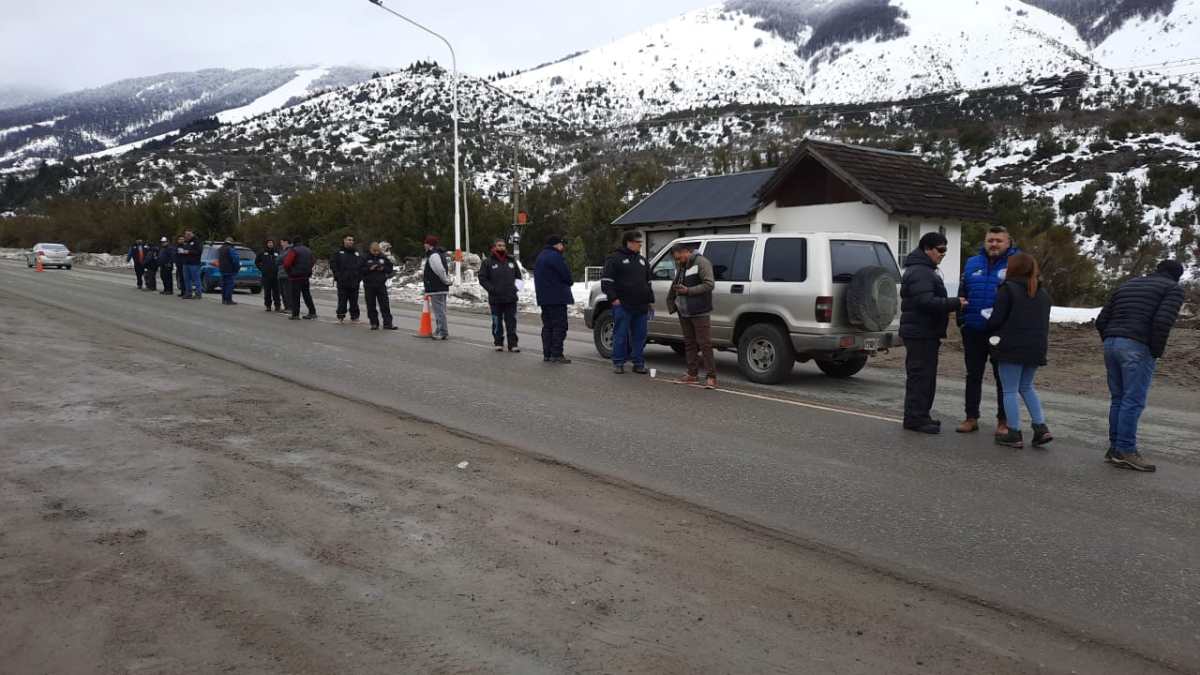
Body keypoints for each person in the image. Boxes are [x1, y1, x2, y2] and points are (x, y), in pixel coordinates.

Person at [1095, 260, 1186, 472]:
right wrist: (1155, 351)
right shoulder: (1173, 289)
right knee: (1133, 400)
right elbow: (1162, 322)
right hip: (1137, 346)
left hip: (1112, 344)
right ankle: (1126, 450)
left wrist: (1110, 339)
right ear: (1177, 276)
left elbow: (1101, 320)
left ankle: (1115, 448)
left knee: (1118, 398)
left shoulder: (1128, 284)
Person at [984, 253, 1053, 449]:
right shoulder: (1042, 293)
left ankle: (1013, 432)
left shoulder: (1007, 289)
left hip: (1011, 347)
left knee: (1010, 390)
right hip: (1036, 347)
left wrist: (987, 322)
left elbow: (997, 319)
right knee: (1027, 387)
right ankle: (1040, 427)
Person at [899, 232, 965, 434]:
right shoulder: (921, 272)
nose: (943, 254)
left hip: (925, 331)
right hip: (920, 332)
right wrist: (955, 303)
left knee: (925, 376)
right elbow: (925, 302)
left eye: (945, 250)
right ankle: (915, 418)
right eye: (940, 250)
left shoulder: (924, 270)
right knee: (920, 376)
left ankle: (921, 415)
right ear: (927, 249)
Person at [957, 226, 1018, 436]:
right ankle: (971, 417)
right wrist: (961, 320)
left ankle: (1003, 421)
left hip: (1001, 332)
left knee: (1003, 378)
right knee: (973, 375)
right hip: (973, 329)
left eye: (999, 241)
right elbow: (963, 292)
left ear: (1008, 242)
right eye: (990, 240)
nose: (994, 244)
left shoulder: (1016, 264)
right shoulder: (972, 263)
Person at [666, 243, 717, 388]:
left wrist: (688, 291)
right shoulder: (682, 266)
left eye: (679, 258)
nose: (678, 261)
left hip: (699, 310)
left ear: (685, 251)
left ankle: (711, 377)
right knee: (689, 343)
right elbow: (677, 284)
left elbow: (709, 284)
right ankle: (692, 374)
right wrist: (672, 300)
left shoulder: (702, 262)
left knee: (704, 343)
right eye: (676, 260)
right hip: (684, 310)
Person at [603, 231, 654, 374]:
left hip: (641, 306)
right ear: (629, 243)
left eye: (640, 242)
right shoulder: (614, 259)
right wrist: (614, 299)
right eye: (638, 242)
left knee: (640, 336)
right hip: (623, 305)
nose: (640, 245)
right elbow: (606, 282)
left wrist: (649, 300)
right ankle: (618, 362)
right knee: (621, 334)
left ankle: (638, 363)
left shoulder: (643, 261)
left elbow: (648, 283)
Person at [534, 235, 574, 363]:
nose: (563, 247)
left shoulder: (540, 256)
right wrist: (569, 281)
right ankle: (557, 353)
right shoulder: (555, 256)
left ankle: (547, 353)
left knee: (548, 326)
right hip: (557, 297)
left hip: (544, 298)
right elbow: (567, 276)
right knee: (559, 326)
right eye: (562, 244)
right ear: (556, 245)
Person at [479, 237, 522, 352]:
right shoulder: (488, 262)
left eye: (503, 246)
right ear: (494, 247)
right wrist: (491, 289)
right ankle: (498, 342)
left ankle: (513, 344)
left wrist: (515, 289)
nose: (502, 248)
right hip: (496, 298)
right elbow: (482, 278)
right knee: (497, 322)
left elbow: (519, 277)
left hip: (510, 298)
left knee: (511, 322)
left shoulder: (511, 261)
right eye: (499, 246)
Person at [360, 242, 397, 331]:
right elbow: (360, 270)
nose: (376, 253)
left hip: (381, 284)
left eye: (377, 251)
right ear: (370, 250)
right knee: (371, 305)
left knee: (385, 305)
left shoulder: (383, 257)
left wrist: (383, 268)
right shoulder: (365, 257)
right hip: (369, 285)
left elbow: (390, 269)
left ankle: (388, 323)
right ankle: (374, 323)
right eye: (374, 251)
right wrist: (369, 269)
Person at [422, 235, 452, 340]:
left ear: (429, 245)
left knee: (439, 311)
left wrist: (445, 280)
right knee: (440, 310)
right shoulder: (437, 254)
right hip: (439, 287)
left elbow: (440, 270)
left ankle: (442, 331)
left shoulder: (434, 255)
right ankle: (439, 330)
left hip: (437, 288)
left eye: (425, 243)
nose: (424, 245)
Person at [282, 235, 317, 320]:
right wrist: (308, 269)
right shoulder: (308, 250)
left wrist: (289, 272)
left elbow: (287, 263)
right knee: (307, 295)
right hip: (305, 276)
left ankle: (295, 314)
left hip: (295, 276)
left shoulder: (294, 250)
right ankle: (312, 312)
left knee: (295, 296)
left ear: (294, 242)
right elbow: (313, 261)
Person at [330, 235, 362, 323]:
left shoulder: (357, 253)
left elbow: (361, 265)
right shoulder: (339, 252)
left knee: (354, 300)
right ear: (344, 240)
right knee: (342, 300)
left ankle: (355, 317)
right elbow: (333, 264)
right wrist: (337, 275)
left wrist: (359, 277)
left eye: (352, 240)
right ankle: (340, 316)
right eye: (349, 240)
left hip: (354, 281)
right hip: (342, 281)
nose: (351, 241)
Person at [255, 239, 283, 312]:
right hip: (266, 275)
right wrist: (262, 269)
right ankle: (268, 306)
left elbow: (281, 261)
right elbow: (257, 262)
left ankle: (277, 306)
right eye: (269, 243)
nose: (270, 244)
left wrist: (279, 269)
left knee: (276, 291)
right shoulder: (262, 252)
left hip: (275, 275)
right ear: (266, 244)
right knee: (267, 291)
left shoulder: (277, 252)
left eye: (271, 243)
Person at [177, 230, 203, 299]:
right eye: (185, 235)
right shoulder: (186, 242)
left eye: (188, 234)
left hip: (194, 264)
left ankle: (198, 294)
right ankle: (188, 293)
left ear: (191, 234)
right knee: (187, 279)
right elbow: (184, 250)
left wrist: (188, 252)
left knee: (196, 279)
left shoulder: (197, 242)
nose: (186, 236)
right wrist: (182, 252)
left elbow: (199, 251)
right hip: (186, 263)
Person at [218, 237, 241, 305]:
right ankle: (228, 300)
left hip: (222, 269)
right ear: (232, 242)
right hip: (230, 270)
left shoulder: (221, 249)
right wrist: (237, 268)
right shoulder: (230, 249)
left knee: (224, 285)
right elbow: (236, 260)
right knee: (229, 285)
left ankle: (224, 299)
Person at [277, 237, 293, 314]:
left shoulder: (289, 250)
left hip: (287, 274)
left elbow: (279, 259)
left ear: (286, 242)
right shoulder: (283, 250)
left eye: (282, 242)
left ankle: (290, 307)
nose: (281, 244)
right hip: (281, 273)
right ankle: (286, 307)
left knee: (287, 292)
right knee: (283, 292)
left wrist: (279, 259)